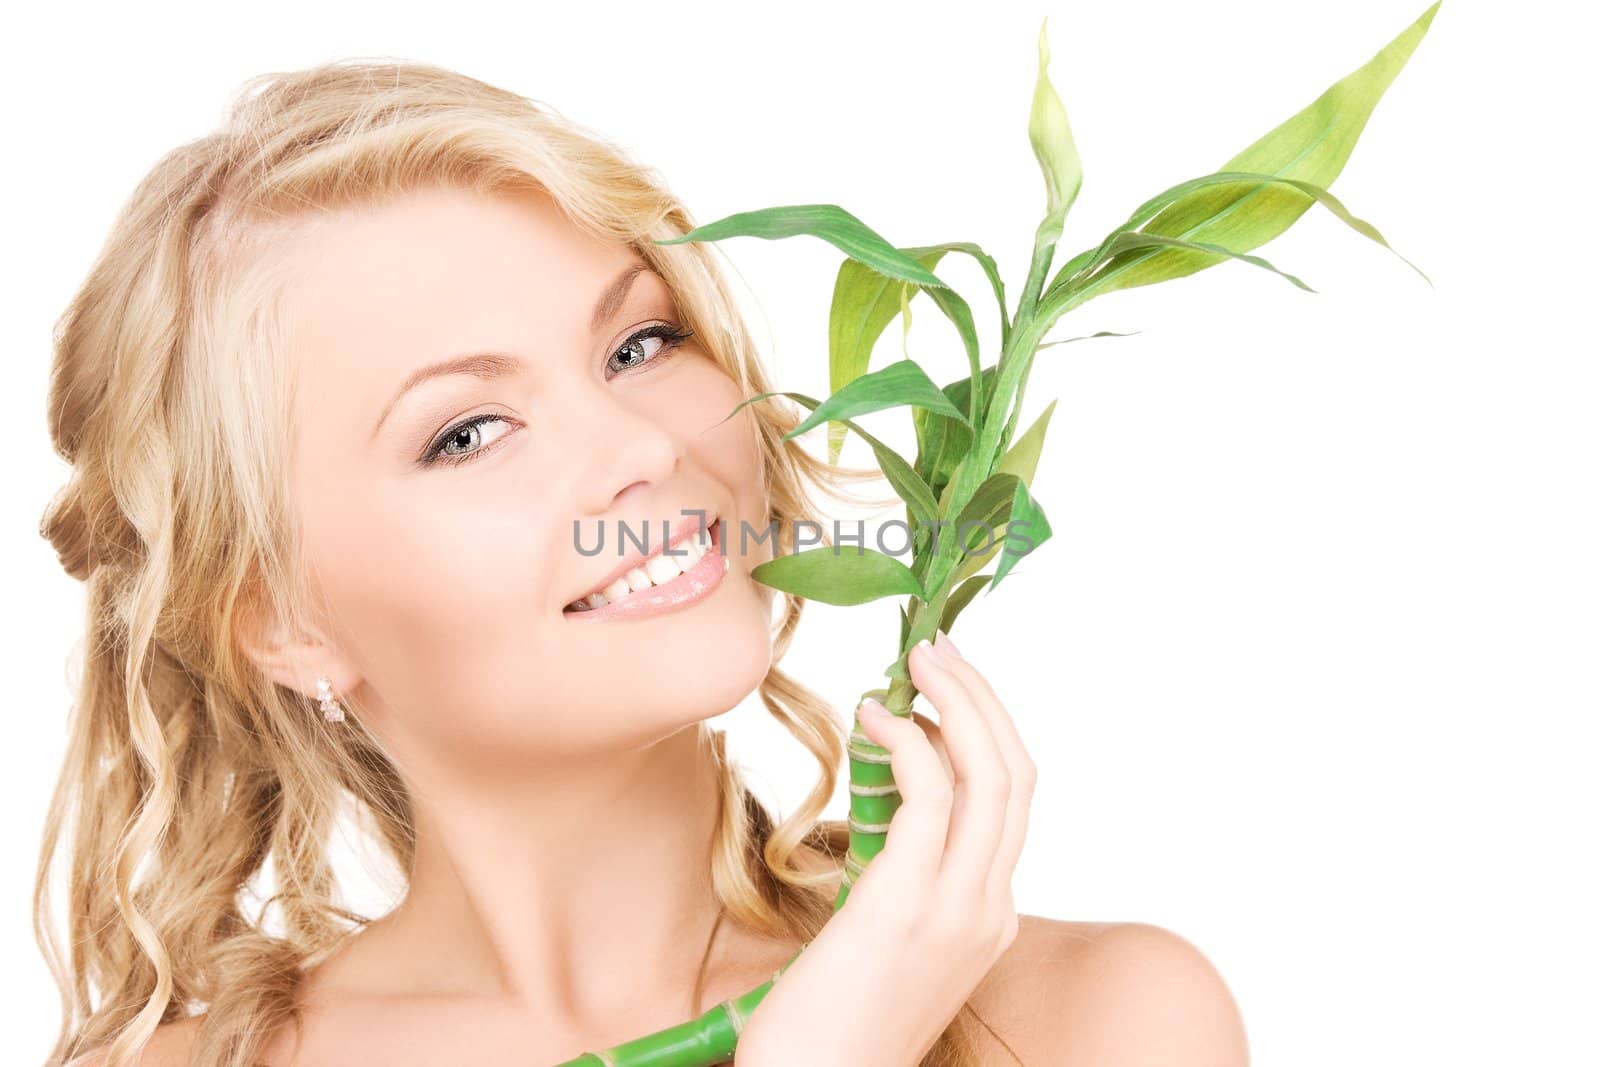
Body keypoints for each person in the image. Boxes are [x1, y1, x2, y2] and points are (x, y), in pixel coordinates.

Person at [34, 59, 1249, 1066]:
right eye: (468, 431)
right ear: (282, 618)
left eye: (639, 342)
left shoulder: (1096, 1021)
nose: (640, 445)